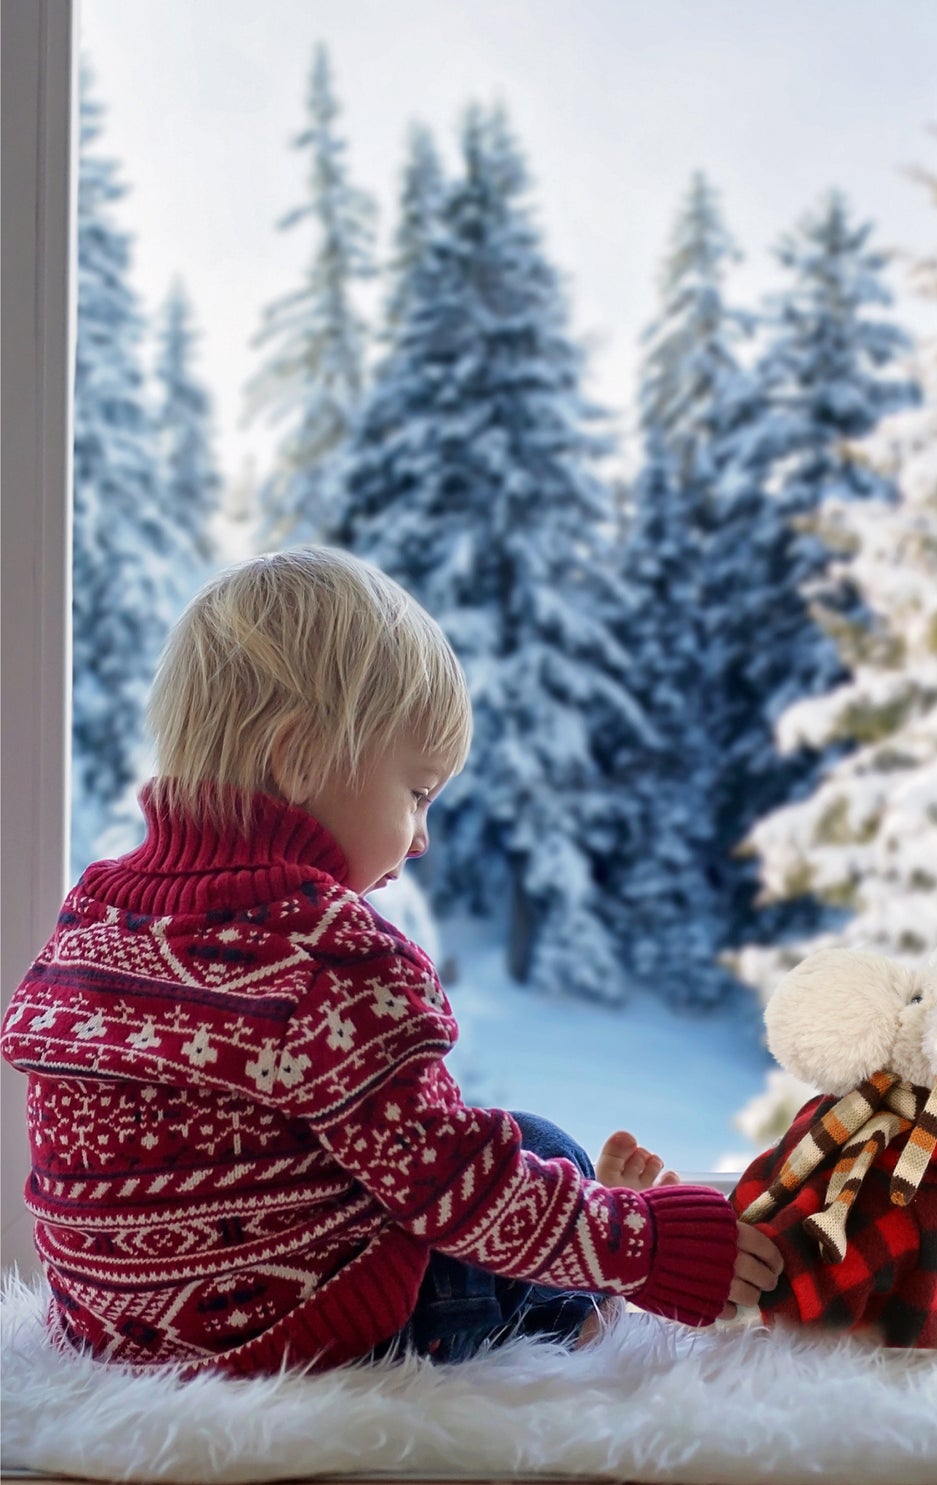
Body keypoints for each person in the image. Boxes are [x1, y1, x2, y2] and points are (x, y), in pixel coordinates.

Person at [1, 546, 780, 1374]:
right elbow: (455, 1189)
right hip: (304, 1333)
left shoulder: (95, 912)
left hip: (108, 1330)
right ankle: (585, 1302)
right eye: (415, 793)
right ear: (297, 758)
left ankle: (585, 1247)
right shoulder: (333, 955)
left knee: (457, 1152)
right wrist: (653, 1247)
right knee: (539, 1146)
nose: (420, 838)